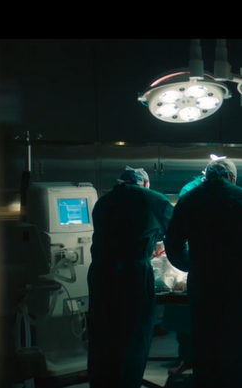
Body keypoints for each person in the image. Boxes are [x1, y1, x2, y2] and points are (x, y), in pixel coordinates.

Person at [164, 158, 242, 388]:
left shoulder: (190, 199)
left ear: (206, 175)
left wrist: (191, 265)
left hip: (203, 279)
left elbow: (173, 244)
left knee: (205, 336)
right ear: (232, 177)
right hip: (240, 279)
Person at [87, 166, 173, 388]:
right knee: (135, 331)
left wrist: (147, 244)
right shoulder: (155, 199)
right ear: (145, 183)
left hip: (101, 273)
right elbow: (176, 234)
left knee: (103, 331)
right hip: (133, 274)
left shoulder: (104, 202)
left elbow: (118, 234)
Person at [166, 154, 225, 375]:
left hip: (218, 263)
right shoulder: (190, 192)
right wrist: (185, 262)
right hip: (195, 259)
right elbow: (179, 228)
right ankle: (188, 356)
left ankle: (218, 360)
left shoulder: (231, 192)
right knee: (189, 314)